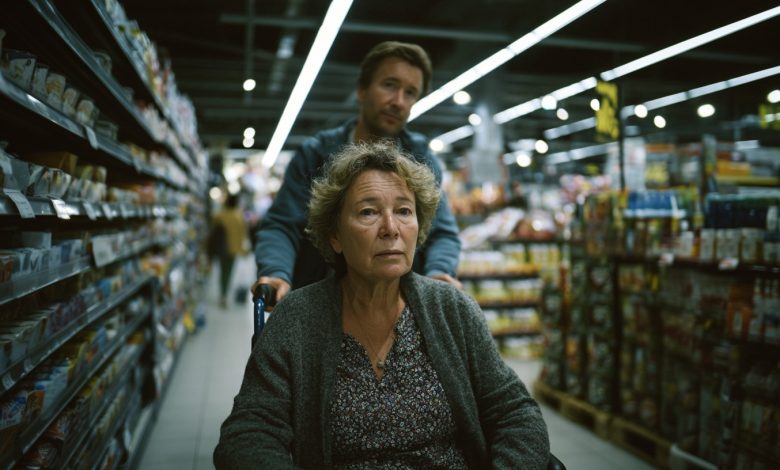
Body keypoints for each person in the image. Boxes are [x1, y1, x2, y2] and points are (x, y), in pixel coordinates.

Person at [214, 142, 550, 468]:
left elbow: (515, 412)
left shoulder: (452, 309)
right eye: (368, 212)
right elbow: (248, 433)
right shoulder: (297, 318)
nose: (391, 229)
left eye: (404, 211)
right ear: (335, 236)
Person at [253, 40, 462, 304]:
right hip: (318, 303)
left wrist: (439, 272)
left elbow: (441, 231)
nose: (399, 101)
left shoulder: (421, 159)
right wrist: (276, 271)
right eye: (389, 85)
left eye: (410, 92)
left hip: (398, 307)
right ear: (362, 90)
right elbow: (282, 224)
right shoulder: (315, 155)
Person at [210, 193, 250, 308]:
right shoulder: (239, 216)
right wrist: (243, 249)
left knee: (223, 271)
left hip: (222, 248)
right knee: (229, 272)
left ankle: (222, 293)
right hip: (234, 249)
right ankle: (224, 294)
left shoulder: (220, 215)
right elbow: (243, 234)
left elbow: (213, 228)